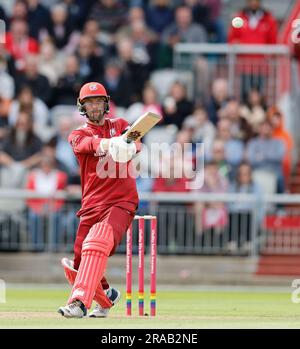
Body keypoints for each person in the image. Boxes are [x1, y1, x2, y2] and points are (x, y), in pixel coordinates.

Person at [58, 81, 140, 318]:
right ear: (82, 107)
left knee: (99, 239)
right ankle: (107, 297)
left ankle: (78, 302)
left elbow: (136, 141)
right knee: (78, 262)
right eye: (89, 102)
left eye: (98, 102)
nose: (94, 106)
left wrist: (129, 148)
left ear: (106, 104)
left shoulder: (121, 125)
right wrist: (108, 144)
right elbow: (89, 144)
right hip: (92, 204)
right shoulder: (77, 134)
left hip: (121, 201)